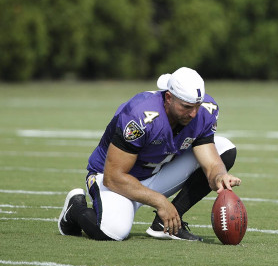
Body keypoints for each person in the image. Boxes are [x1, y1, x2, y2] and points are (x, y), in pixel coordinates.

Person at [58, 67, 241, 241]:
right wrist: (160, 202)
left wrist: (219, 176)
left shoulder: (204, 111)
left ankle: (166, 224)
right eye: (186, 107)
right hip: (116, 179)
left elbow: (210, 162)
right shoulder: (139, 115)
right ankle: (75, 208)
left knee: (224, 148)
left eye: (197, 106)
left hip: (155, 173)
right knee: (112, 231)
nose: (193, 113)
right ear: (168, 98)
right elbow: (113, 177)